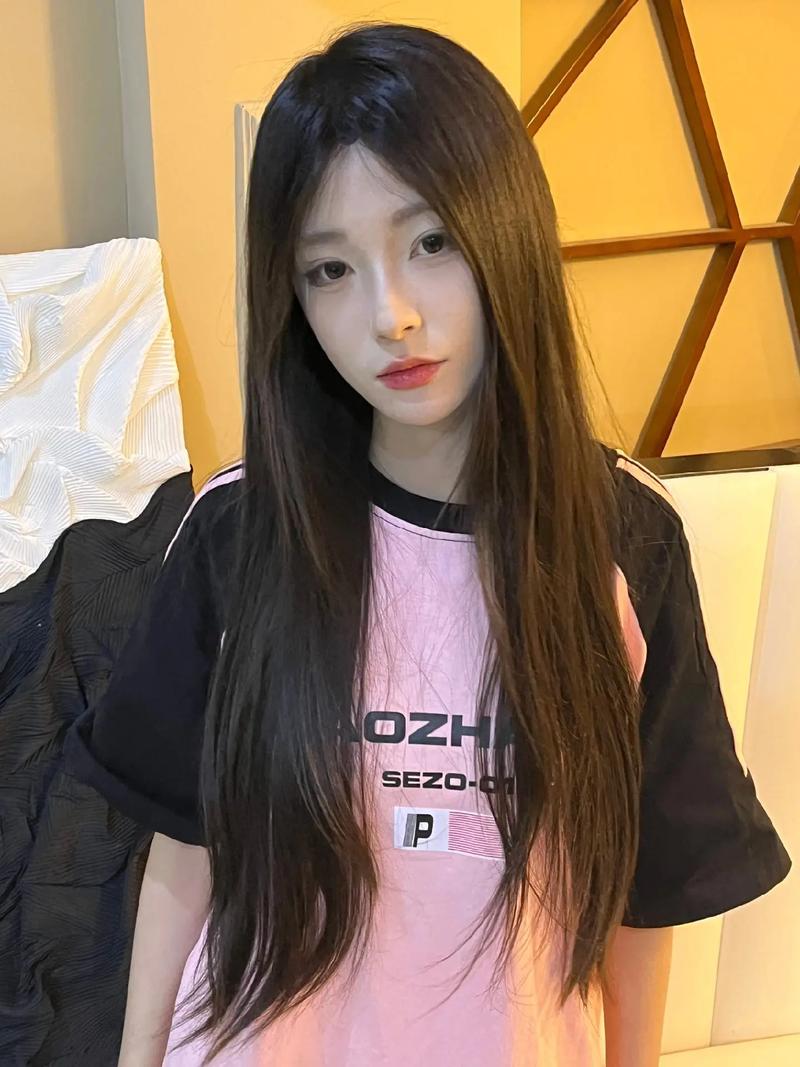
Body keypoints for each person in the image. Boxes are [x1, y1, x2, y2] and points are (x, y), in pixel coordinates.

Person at [65, 20, 791, 1067]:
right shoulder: (240, 530)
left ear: (507, 230)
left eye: (432, 243)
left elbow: (645, 890)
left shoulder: (623, 537)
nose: (390, 315)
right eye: (328, 269)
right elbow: (186, 847)